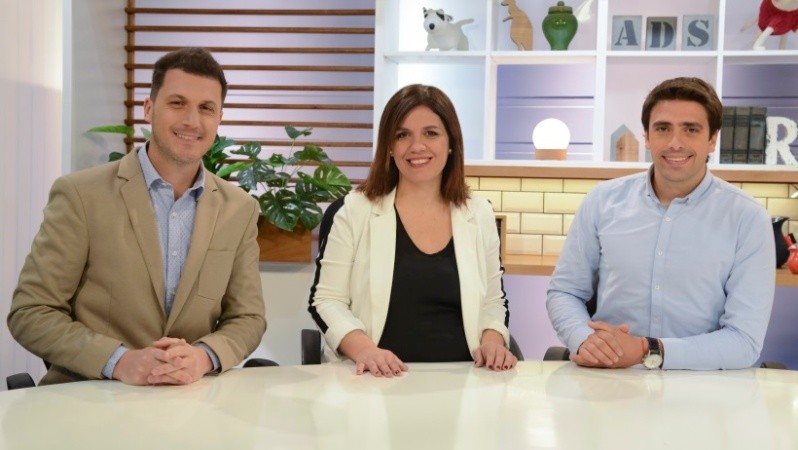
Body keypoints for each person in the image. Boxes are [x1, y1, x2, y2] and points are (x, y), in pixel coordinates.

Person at [7, 47, 266, 385]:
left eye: (206, 108)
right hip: (90, 398)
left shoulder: (240, 209)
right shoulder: (81, 195)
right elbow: (31, 312)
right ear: (148, 108)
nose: (192, 120)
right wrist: (119, 361)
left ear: (219, 118)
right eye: (177, 103)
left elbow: (248, 317)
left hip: (190, 401)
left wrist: (203, 357)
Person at [546, 77, 775, 370]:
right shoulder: (601, 202)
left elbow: (744, 341)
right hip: (608, 375)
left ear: (712, 139)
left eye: (691, 129)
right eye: (663, 128)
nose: (675, 143)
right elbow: (565, 292)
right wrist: (585, 341)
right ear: (647, 136)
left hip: (703, 383)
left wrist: (648, 350)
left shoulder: (748, 218)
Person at [307, 84, 516, 377]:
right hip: (375, 379)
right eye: (402, 135)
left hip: (466, 379)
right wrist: (365, 350)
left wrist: (493, 341)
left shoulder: (479, 214)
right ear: (389, 147)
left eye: (431, 133)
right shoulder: (352, 211)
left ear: (451, 143)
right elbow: (326, 301)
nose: (417, 146)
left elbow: (494, 301)